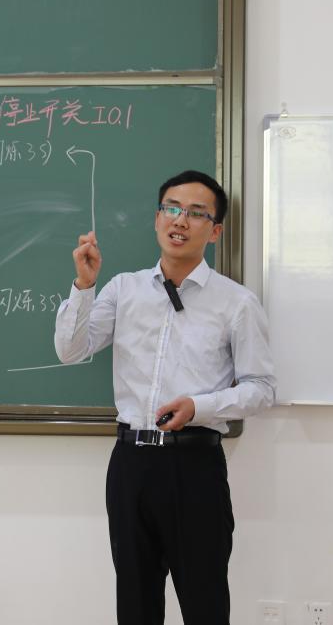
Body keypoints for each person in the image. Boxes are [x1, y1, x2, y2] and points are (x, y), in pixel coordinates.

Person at [53, 170, 276, 625]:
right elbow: (70, 351)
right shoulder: (123, 289)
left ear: (215, 231)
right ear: (157, 219)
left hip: (195, 466)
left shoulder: (236, 303)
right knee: (135, 604)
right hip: (130, 464)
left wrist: (200, 406)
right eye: (171, 208)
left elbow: (261, 388)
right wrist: (84, 286)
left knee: (204, 603)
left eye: (196, 213)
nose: (180, 220)